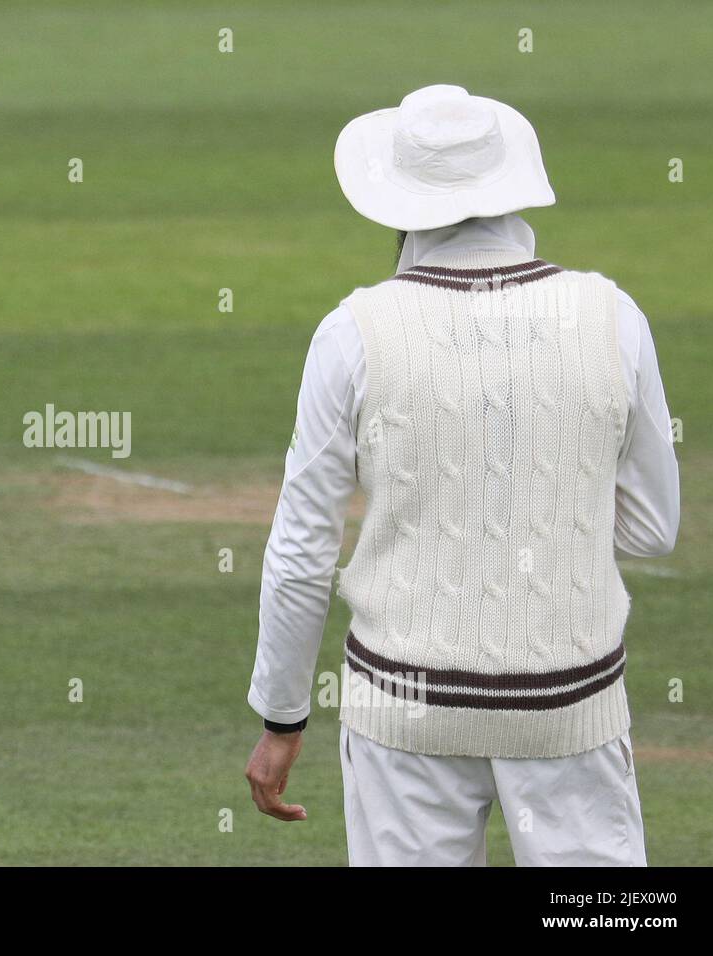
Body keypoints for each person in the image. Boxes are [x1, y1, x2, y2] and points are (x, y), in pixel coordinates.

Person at [244, 85, 680, 866]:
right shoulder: (613, 315)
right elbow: (653, 527)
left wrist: (282, 721)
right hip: (569, 704)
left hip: (404, 710)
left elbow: (302, 550)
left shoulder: (352, 332)